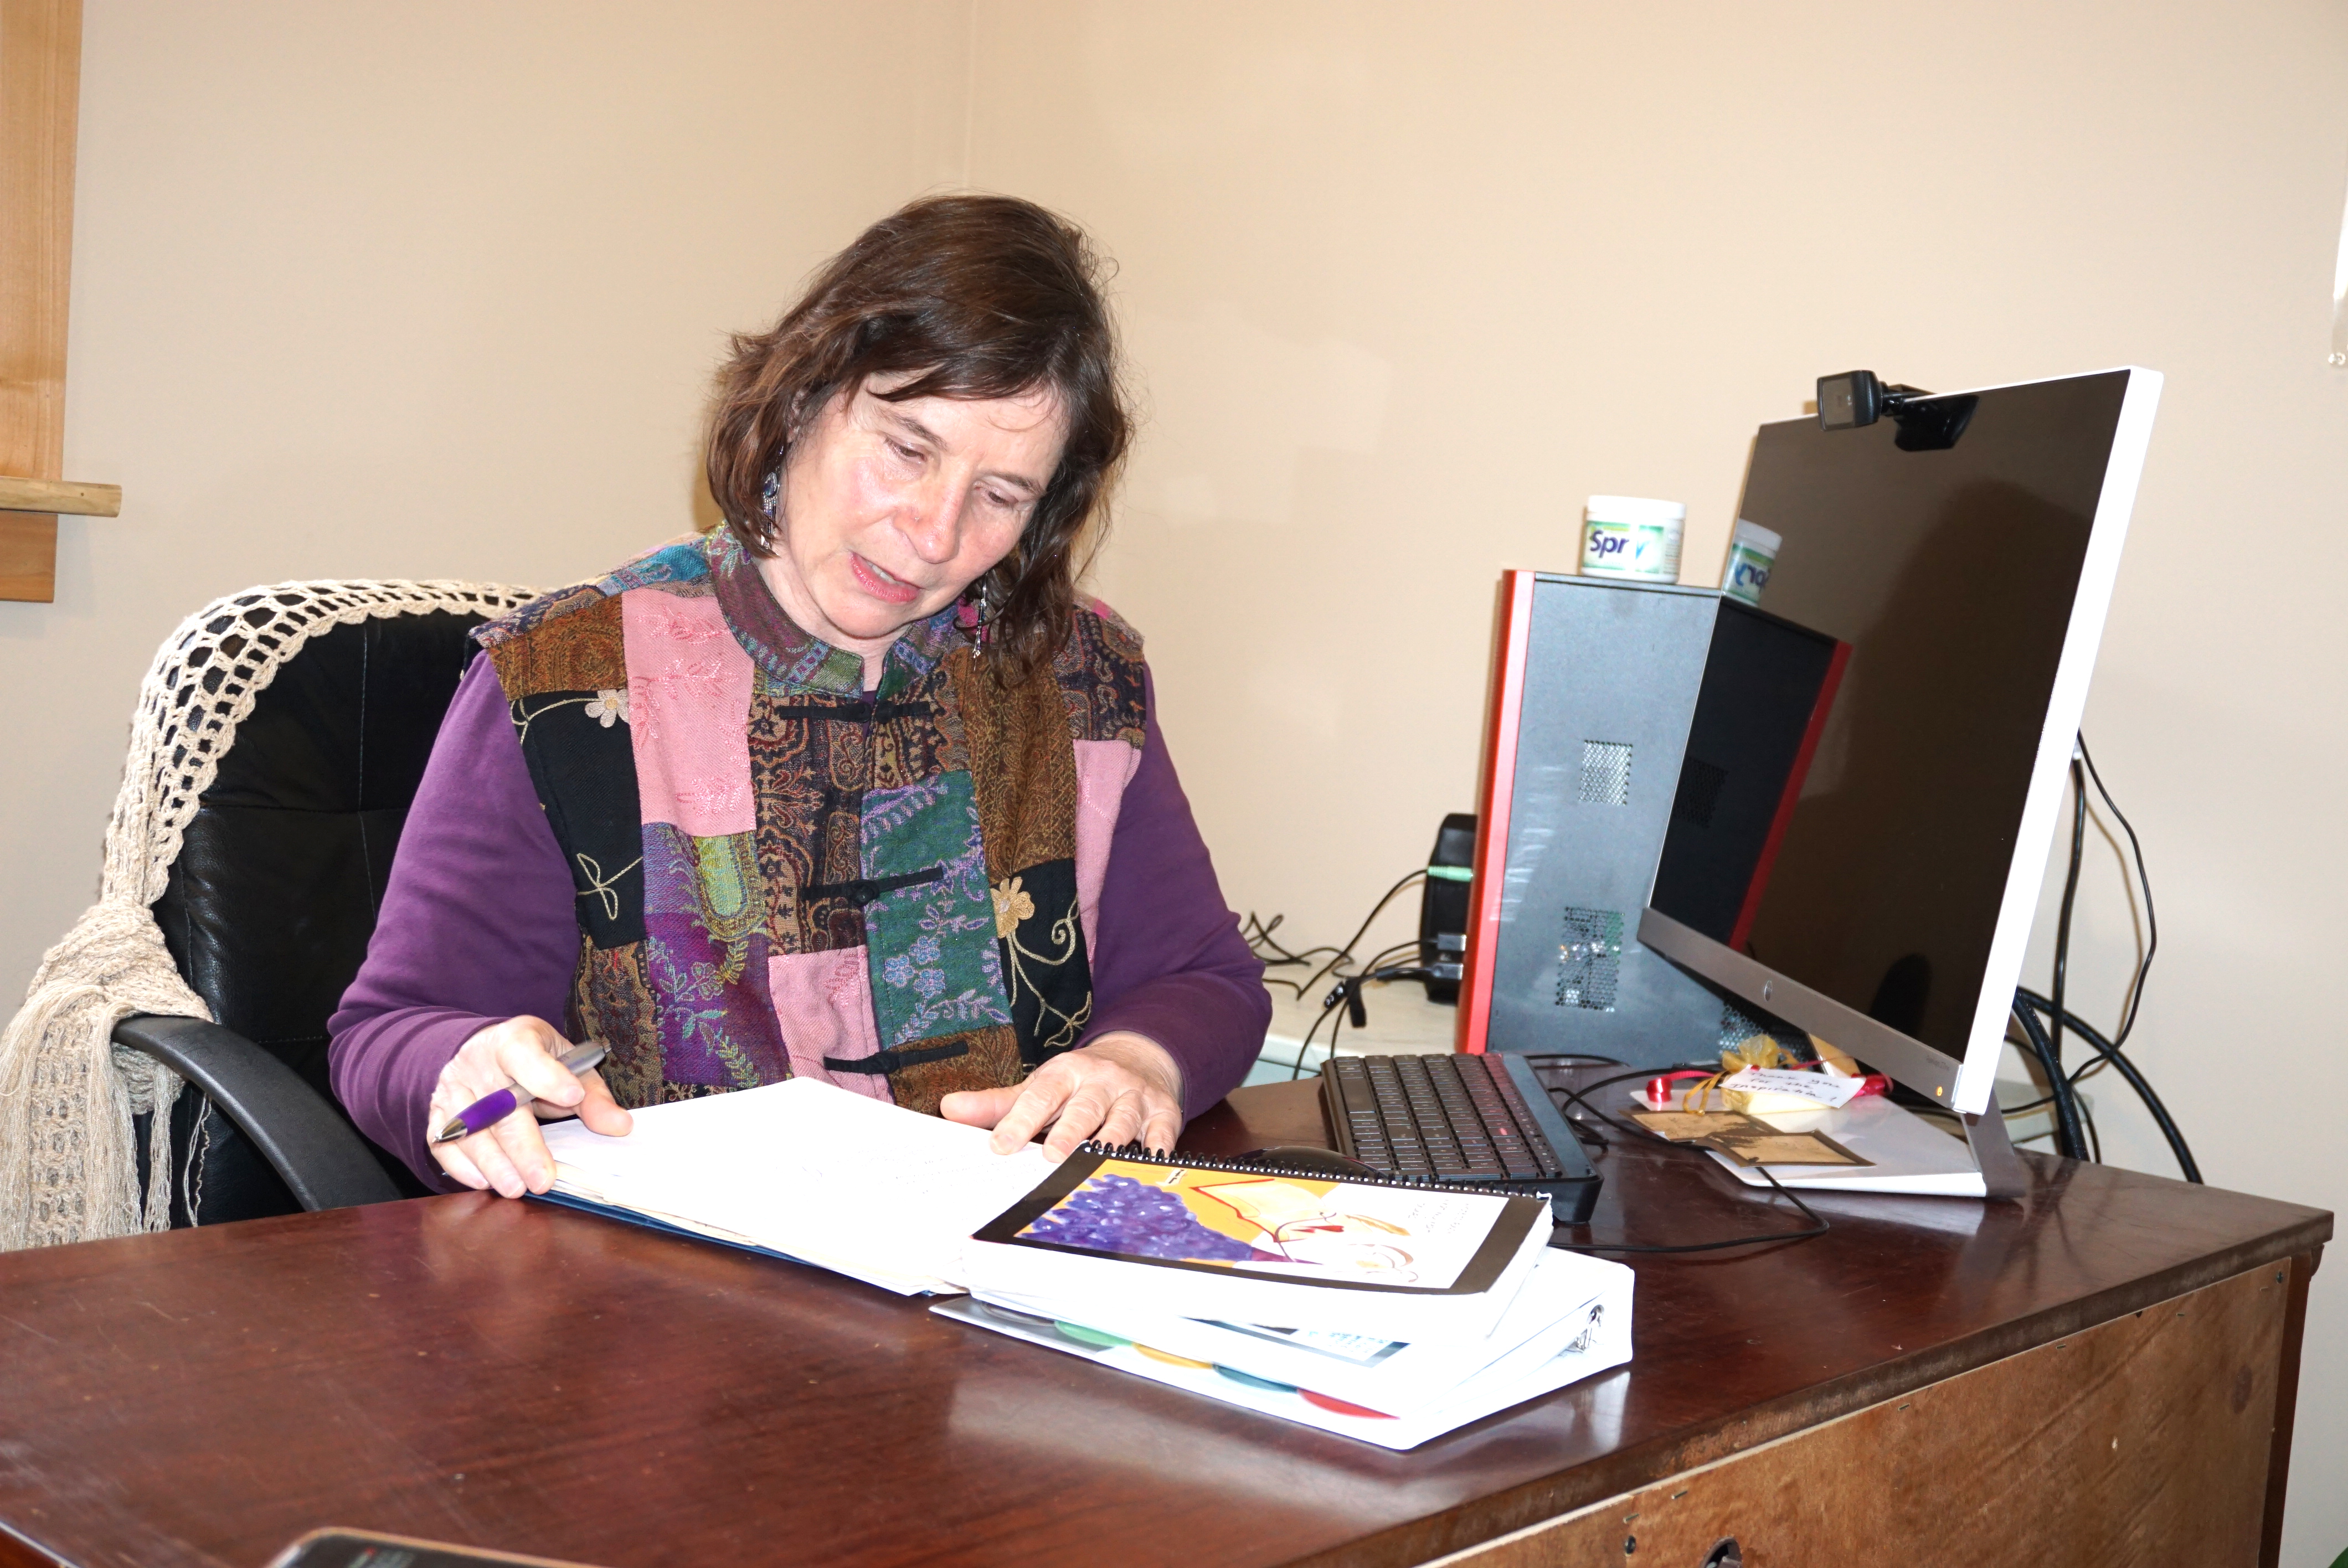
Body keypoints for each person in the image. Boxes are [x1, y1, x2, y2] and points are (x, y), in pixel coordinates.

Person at [329, 194, 1269, 1199]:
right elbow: (392, 1033)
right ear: (803, 402)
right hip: (665, 1302)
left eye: (1002, 495)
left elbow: (1204, 980)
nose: (937, 533)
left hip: (988, 1288)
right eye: (908, 449)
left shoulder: (1080, 675)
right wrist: (459, 1064)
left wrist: (1135, 1064)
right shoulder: (567, 680)